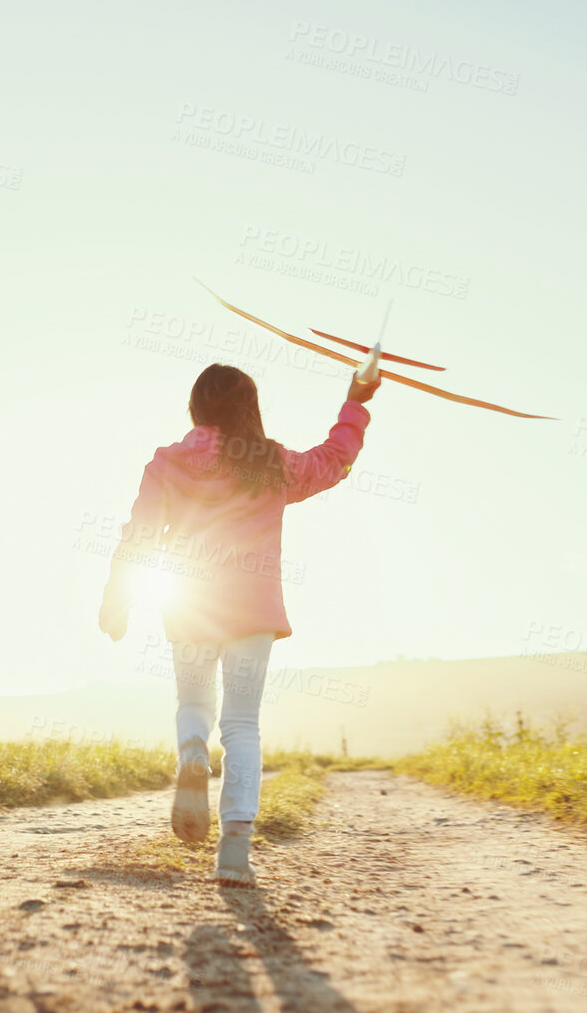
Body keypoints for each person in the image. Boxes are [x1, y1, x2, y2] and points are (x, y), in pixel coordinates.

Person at [99, 363, 379, 886]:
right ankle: (234, 853)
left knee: (193, 705)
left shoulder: (168, 462)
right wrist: (356, 401)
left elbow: (138, 534)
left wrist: (117, 596)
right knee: (243, 724)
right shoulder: (270, 464)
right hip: (252, 607)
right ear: (249, 407)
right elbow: (334, 460)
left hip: (190, 604)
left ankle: (191, 752)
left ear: (195, 406)